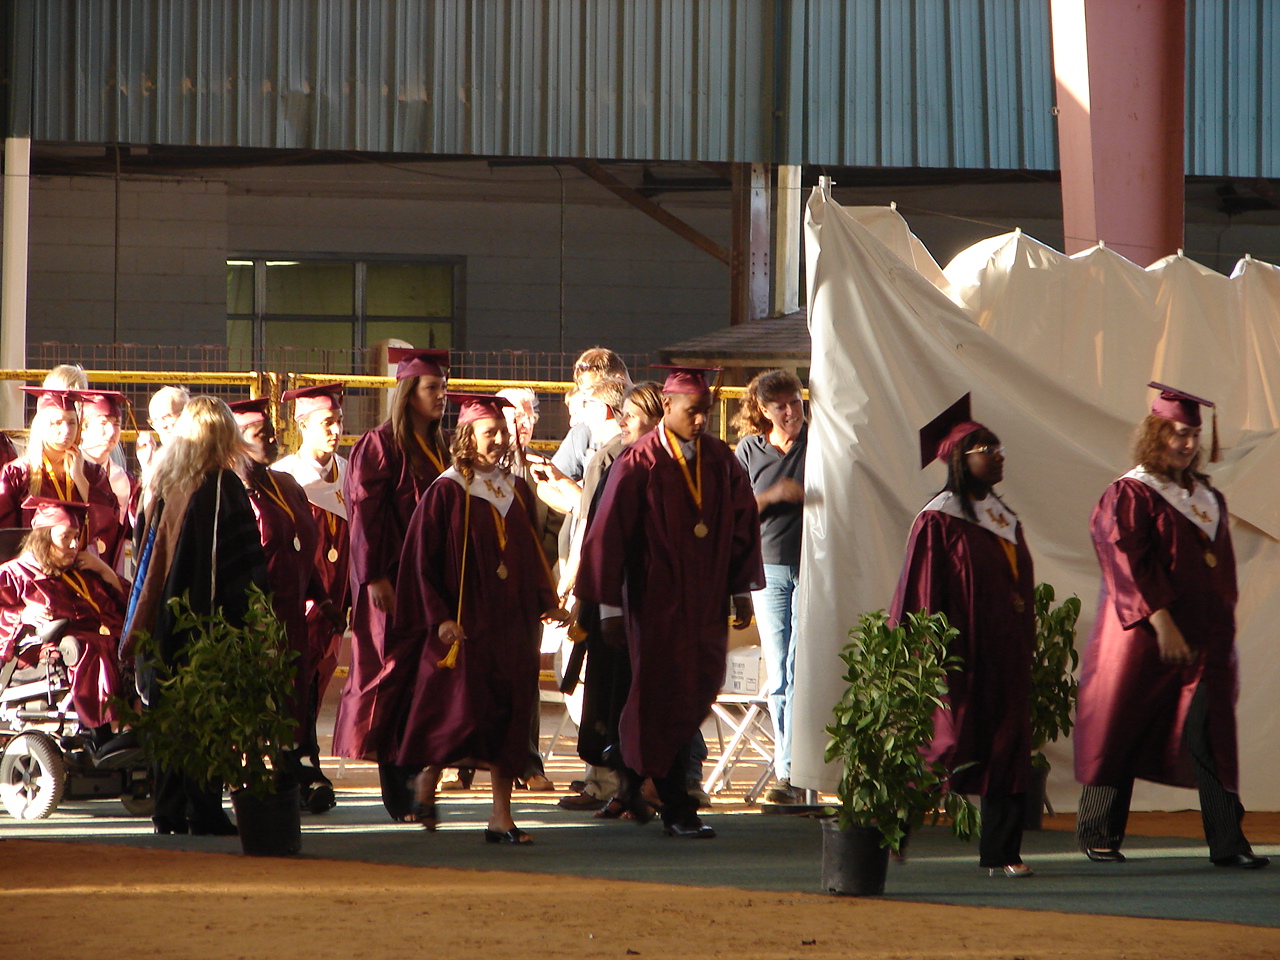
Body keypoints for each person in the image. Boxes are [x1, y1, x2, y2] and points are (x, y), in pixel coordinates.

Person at [1073, 383, 1268, 869]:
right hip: (1141, 636)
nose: (1188, 444)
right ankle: (1098, 832)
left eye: (1194, 435)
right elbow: (1126, 561)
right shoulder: (1130, 492)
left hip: (1204, 640)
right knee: (1121, 727)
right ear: (1155, 433)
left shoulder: (1207, 497)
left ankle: (1228, 842)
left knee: (1210, 734)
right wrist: (1163, 623)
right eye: (1179, 433)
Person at [577, 366, 762, 840]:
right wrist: (610, 609)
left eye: (707, 412)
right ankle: (678, 807)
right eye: (693, 411)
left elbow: (742, 524)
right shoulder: (639, 461)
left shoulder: (719, 459)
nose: (701, 420)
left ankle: (628, 767)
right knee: (664, 695)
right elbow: (608, 536)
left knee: (700, 686)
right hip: (653, 602)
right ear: (668, 405)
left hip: (704, 603)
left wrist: (740, 589)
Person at [395, 393, 568, 844]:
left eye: (503, 433)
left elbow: (531, 554)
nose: (500, 440)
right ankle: (428, 778)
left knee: (509, 714)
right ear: (467, 438)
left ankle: (500, 817)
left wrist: (547, 600)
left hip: (513, 625)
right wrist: (439, 618)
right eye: (490, 433)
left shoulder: (517, 489)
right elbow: (422, 563)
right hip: (466, 624)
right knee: (462, 712)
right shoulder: (447, 491)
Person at [888, 394, 1035, 877]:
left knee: (1008, 748)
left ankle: (1002, 853)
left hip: (1005, 655)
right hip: (959, 656)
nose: (998, 456)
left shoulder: (1003, 518)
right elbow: (922, 592)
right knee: (943, 745)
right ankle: (892, 829)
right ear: (959, 458)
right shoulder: (939, 519)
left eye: (998, 448)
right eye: (986, 449)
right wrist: (928, 658)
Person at [122, 396, 268, 836]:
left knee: (169, 713)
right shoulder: (222, 486)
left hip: (163, 621)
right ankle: (203, 809)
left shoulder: (160, 483)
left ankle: (168, 809)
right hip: (207, 620)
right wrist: (254, 617)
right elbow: (241, 565)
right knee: (206, 713)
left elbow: (141, 558)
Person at [332, 348, 451, 821]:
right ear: (407, 394)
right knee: (391, 675)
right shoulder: (380, 444)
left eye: (443, 387)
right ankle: (397, 784)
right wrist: (374, 575)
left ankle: (417, 777)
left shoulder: (440, 446)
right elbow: (364, 513)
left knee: (427, 679)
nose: (442, 396)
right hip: (393, 581)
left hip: (431, 585)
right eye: (432, 388)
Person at [557, 380, 662, 814]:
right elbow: (595, 531)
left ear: (657, 420)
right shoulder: (615, 460)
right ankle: (622, 787)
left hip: (657, 600)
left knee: (650, 696)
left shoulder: (677, 465)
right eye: (622, 414)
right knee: (614, 693)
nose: (623, 423)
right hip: (616, 599)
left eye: (632, 416)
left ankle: (653, 786)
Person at [229, 396, 333, 814]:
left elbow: (301, 550)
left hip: (292, 616)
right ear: (237, 441)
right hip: (255, 617)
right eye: (260, 434)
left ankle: (294, 777)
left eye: (272, 432)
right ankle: (259, 782)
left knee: (295, 699)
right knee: (259, 704)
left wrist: (322, 597)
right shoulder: (232, 492)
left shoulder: (286, 484)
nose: (272, 439)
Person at [732, 370, 807, 805]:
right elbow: (734, 509)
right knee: (780, 671)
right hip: (769, 570)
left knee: (801, 667)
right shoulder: (749, 450)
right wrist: (775, 494)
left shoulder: (818, 441)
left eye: (795, 401)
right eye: (780, 405)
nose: (791, 411)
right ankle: (787, 771)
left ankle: (801, 767)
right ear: (763, 410)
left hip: (813, 565)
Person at [0, 497, 127, 746]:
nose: (74, 545)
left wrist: (105, 571)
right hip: (41, 652)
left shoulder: (81, 574)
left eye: (76, 536)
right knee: (89, 645)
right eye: (65, 537)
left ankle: (139, 718)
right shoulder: (13, 574)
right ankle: (112, 727)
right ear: (43, 538)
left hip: (88, 643)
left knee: (131, 643)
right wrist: (22, 615)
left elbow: (126, 608)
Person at [274, 383, 351, 742]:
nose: (336, 431)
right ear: (302, 424)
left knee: (321, 676)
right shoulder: (284, 478)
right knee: (291, 680)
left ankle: (303, 750)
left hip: (337, 603)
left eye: (339, 421)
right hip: (301, 604)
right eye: (326, 423)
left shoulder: (350, 474)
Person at [0, 387, 122, 568]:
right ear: (42, 426)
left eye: (72, 423)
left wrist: (79, 479)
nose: (66, 430)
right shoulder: (18, 473)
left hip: (80, 566)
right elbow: (6, 534)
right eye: (57, 422)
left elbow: (109, 521)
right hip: (33, 571)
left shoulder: (92, 473)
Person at [78, 390, 137, 574]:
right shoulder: (64, 471)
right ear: (83, 428)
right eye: (103, 423)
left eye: (117, 424)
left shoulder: (126, 481)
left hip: (111, 572)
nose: (111, 432)